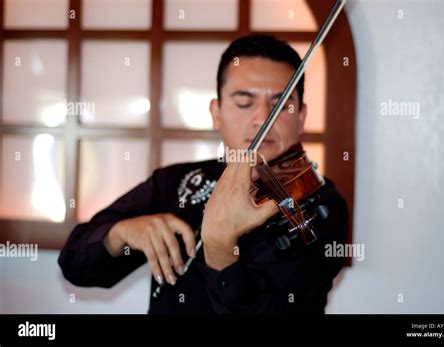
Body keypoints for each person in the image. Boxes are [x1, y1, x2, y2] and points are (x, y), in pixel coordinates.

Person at [58, 34, 349, 314]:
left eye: (280, 105)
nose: (262, 118)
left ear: (301, 117)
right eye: (244, 102)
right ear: (216, 113)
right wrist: (120, 233)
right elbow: (74, 264)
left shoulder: (321, 207)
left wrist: (221, 250)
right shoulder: (177, 183)